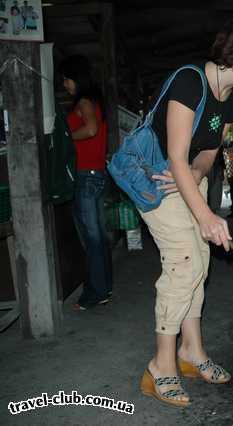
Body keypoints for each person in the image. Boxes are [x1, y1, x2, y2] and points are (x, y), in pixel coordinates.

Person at [138, 12, 233, 408]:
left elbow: (206, 152)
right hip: (157, 180)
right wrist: (205, 214)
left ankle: (192, 352)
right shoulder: (191, 80)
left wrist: (198, 172)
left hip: (187, 177)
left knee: (200, 262)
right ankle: (161, 366)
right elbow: (173, 153)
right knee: (183, 263)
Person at [60, 55, 113, 311]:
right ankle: (104, 287)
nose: (65, 85)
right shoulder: (93, 100)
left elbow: (90, 130)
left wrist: (64, 137)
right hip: (97, 175)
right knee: (99, 238)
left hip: (86, 176)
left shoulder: (83, 101)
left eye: (66, 80)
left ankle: (94, 293)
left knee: (91, 239)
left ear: (75, 78)